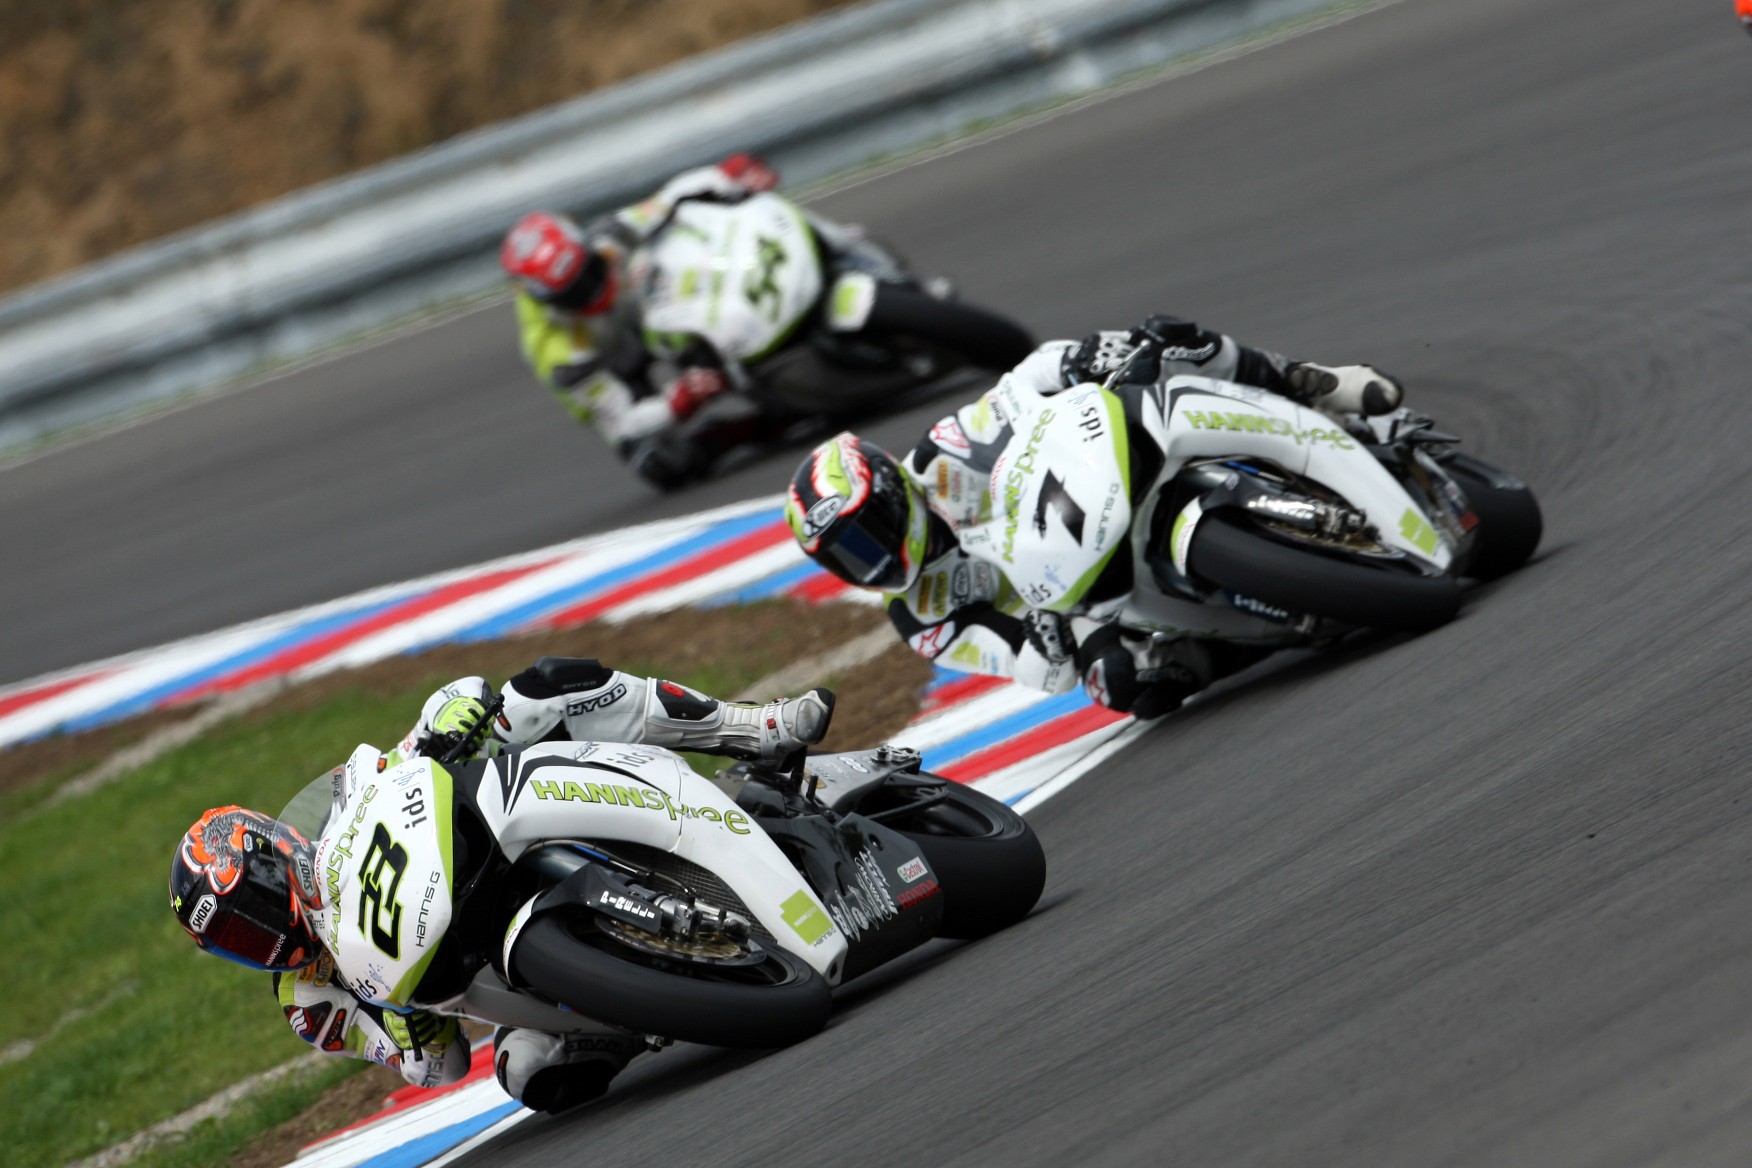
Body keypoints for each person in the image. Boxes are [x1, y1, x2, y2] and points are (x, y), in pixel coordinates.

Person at [169, 660, 834, 1114]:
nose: (259, 939)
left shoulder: (345, 803)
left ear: (276, 852)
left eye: (250, 913)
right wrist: (406, 1030)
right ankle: (642, 1012)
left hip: (487, 843)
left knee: (540, 691)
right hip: (494, 977)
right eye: (234, 941)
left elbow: (429, 728)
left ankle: (752, 727)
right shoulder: (309, 1003)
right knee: (528, 1074)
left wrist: (451, 720)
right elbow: (439, 1068)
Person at [786, 314, 1403, 719]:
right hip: (1076, 603)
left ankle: (1309, 381)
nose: (872, 559)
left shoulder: (945, 453)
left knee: (1170, 340)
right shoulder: (921, 617)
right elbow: (1031, 670)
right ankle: (1263, 635)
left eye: (867, 535)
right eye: (849, 558)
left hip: (1094, 483)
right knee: (1122, 684)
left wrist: (1078, 360)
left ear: (892, 490)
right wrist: (1046, 639)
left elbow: (1017, 389)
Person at [500, 153, 781, 488]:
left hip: (643, 312)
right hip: (612, 369)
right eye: (574, 293)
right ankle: (746, 429)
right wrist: (677, 401)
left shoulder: (608, 239)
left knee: (682, 249)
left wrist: (728, 175)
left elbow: (669, 199)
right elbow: (623, 420)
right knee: (663, 463)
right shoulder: (559, 356)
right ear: (547, 300)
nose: (593, 290)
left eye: (591, 269)